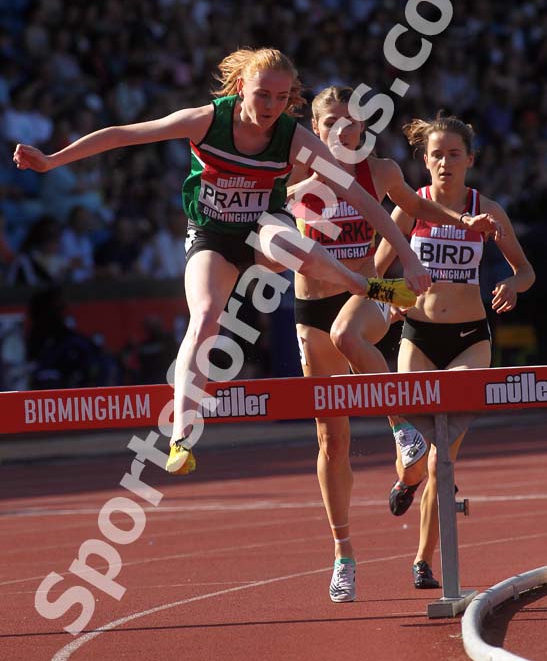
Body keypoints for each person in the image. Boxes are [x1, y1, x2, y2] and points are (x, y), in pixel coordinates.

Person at [13, 47, 430, 476]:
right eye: (262, 95)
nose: (270, 107)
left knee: (290, 244)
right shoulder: (207, 120)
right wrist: (52, 160)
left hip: (264, 228)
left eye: (282, 98)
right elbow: (125, 134)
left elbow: (359, 196)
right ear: (240, 88)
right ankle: (181, 435)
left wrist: (406, 257)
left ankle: (364, 285)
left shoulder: (293, 137)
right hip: (212, 237)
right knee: (207, 316)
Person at [288, 87, 502, 603]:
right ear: (313, 128)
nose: (341, 130)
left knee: (351, 331)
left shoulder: (380, 171)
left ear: (364, 128)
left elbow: (417, 207)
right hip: (311, 306)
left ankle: (401, 426)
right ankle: (343, 554)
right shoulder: (292, 173)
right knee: (331, 441)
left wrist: (466, 224)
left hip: (373, 292)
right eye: (330, 122)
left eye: (350, 121)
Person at [374, 113, 535, 590]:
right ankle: (406, 479)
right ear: (424, 161)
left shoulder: (489, 211)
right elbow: (374, 278)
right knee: (417, 455)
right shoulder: (410, 208)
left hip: (470, 340)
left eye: (454, 155)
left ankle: (423, 560)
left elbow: (526, 270)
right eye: (436, 155)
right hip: (419, 338)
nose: (445, 163)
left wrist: (513, 283)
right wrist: (393, 305)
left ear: (470, 160)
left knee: (446, 458)